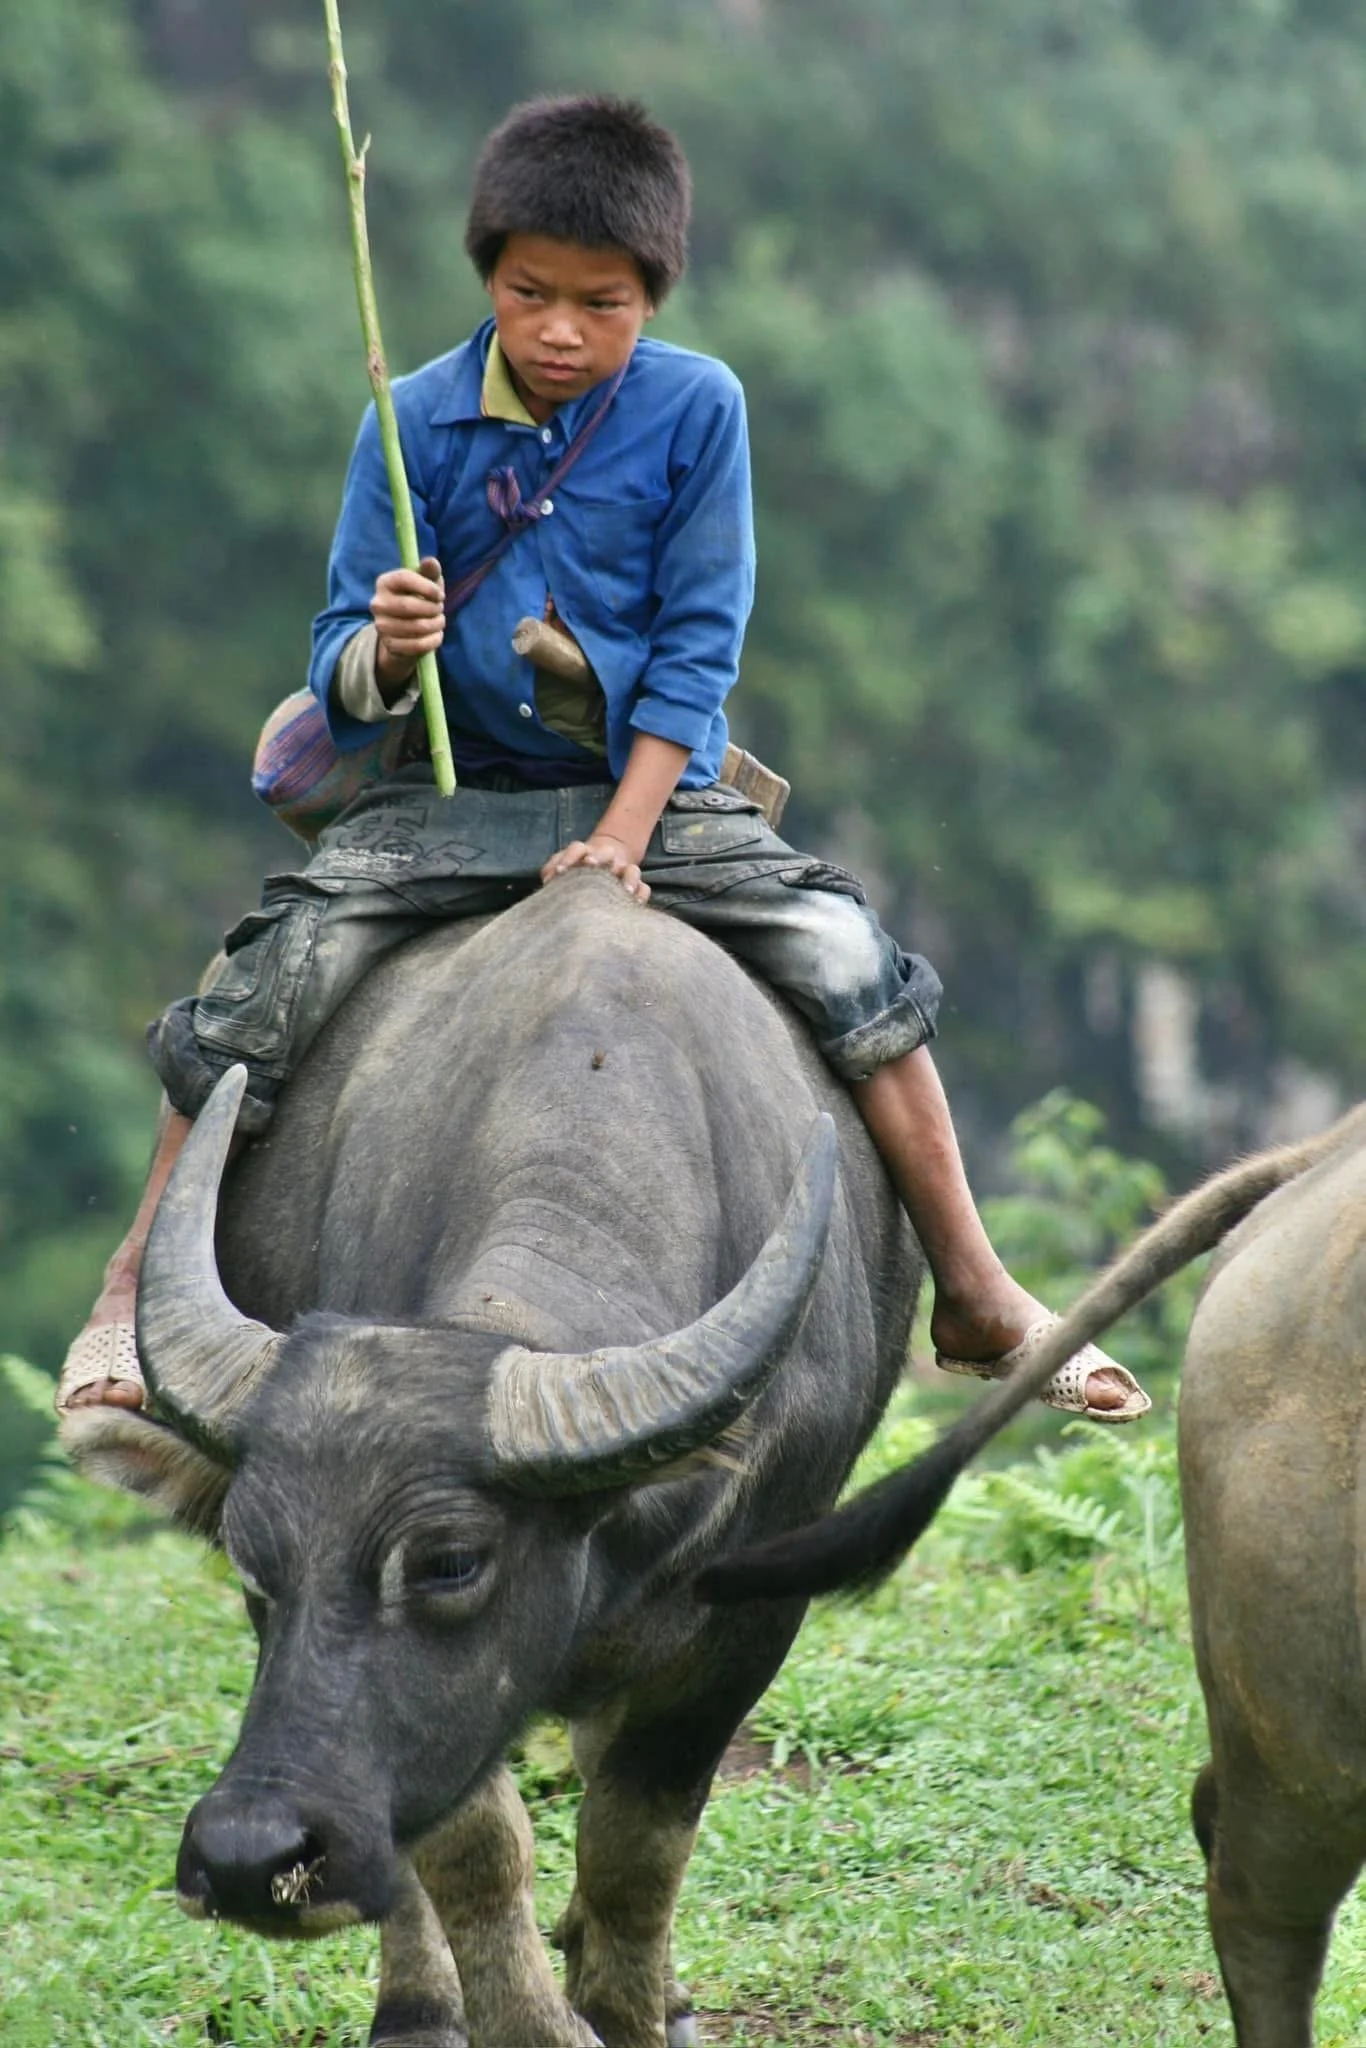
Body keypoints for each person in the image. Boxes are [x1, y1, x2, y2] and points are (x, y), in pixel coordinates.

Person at [56, 94, 1147, 1426]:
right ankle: (128, 1297)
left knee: (855, 965)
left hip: (655, 800)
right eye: (530, 293)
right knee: (255, 992)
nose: (562, 329)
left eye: (602, 302)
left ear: (652, 295)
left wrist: (625, 837)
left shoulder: (699, 411)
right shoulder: (406, 422)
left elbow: (698, 654)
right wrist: (388, 650)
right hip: (449, 804)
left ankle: (975, 1291)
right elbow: (340, 641)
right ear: (486, 277)